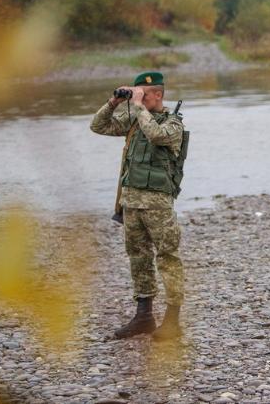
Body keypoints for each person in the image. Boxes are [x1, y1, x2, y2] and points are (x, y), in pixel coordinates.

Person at [90, 71, 187, 340]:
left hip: (157, 203)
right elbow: (98, 126)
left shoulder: (172, 124)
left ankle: (172, 321)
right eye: (137, 93)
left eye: (144, 94)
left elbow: (155, 135)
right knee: (138, 257)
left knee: (168, 257)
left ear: (158, 94)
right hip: (131, 201)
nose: (139, 98)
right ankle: (144, 316)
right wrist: (113, 102)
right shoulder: (134, 118)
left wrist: (137, 106)